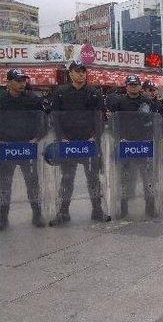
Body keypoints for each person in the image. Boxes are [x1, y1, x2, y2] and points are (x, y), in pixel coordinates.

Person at [49, 61, 109, 226]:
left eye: (83, 71)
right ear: (71, 74)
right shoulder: (60, 92)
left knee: (93, 178)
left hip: (89, 143)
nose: (81, 74)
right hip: (68, 143)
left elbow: (100, 119)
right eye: (78, 71)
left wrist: (94, 137)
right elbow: (55, 118)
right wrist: (62, 138)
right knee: (67, 178)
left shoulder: (94, 93)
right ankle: (63, 211)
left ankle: (97, 211)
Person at [106, 75, 159, 218]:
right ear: (126, 86)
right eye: (130, 84)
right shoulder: (119, 102)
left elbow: (155, 122)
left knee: (148, 178)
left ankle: (150, 207)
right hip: (126, 144)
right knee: (124, 178)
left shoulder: (148, 102)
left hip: (144, 145)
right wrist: (118, 138)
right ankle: (123, 207)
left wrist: (151, 139)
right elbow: (112, 123)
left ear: (140, 86)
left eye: (136, 84)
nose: (133, 87)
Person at [0, 69, 47, 230]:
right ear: (9, 82)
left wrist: (36, 139)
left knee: (33, 183)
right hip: (6, 148)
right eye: (18, 80)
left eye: (23, 80)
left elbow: (42, 121)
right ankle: (2, 217)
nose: (22, 83)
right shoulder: (1, 99)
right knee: (4, 184)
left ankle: (37, 214)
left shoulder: (33, 99)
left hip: (28, 148)